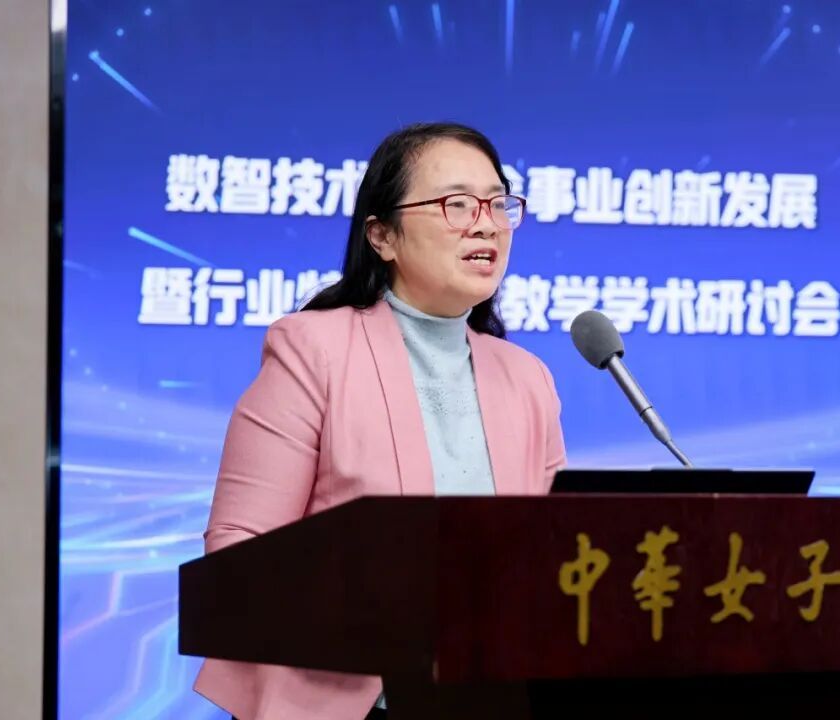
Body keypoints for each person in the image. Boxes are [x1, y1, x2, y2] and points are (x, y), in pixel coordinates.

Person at [193, 122, 567, 720]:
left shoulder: (528, 378)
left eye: (498, 203)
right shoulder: (313, 350)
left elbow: (553, 560)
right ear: (382, 236)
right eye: (456, 204)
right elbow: (237, 556)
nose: (486, 224)